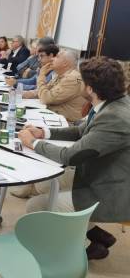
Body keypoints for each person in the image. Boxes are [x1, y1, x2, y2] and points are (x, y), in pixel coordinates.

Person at [18, 57, 130, 260]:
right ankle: (96, 235)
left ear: (90, 88)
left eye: (82, 79)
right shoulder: (111, 104)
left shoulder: (115, 116)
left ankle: (75, 251)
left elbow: (70, 156)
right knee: (46, 185)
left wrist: (32, 143)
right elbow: (80, 130)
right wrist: (44, 133)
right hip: (102, 174)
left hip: (114, 189)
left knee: (35, 206)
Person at [31, 49, 86, 123]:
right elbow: (44, 91)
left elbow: (46, 98)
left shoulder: (72, 78)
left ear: (65, 63)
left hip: (65, 123)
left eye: (57, 57)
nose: (52, 59)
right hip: (54, 116)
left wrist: (41, 76)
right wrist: (23, 94)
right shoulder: (61, 75)